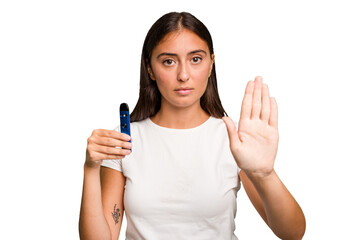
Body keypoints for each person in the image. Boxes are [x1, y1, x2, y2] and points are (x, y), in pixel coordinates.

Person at [79, 12, 306, 240]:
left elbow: (292, 234)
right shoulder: (124, 141)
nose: (183, 75)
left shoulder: (234, 138)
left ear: (210, 64)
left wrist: (264, 174)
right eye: (169, 61)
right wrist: (90, 168)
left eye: (195, 59)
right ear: (150, 69)